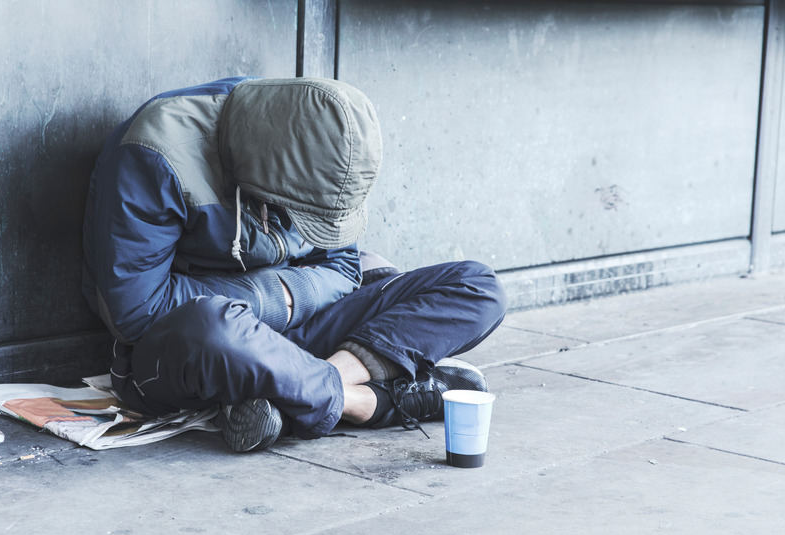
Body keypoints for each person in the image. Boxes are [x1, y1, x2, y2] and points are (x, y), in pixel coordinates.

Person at [81, 76, 507, 452]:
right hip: (194, 349)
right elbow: (138, 313)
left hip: (301, 326)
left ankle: (294, 389)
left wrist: (292, 309)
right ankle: (372, 403)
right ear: (267, 175)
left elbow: (343, 267)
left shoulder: (318, 142)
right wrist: (276, 297)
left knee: (478, 286)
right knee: (210, 328)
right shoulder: (153, 156)